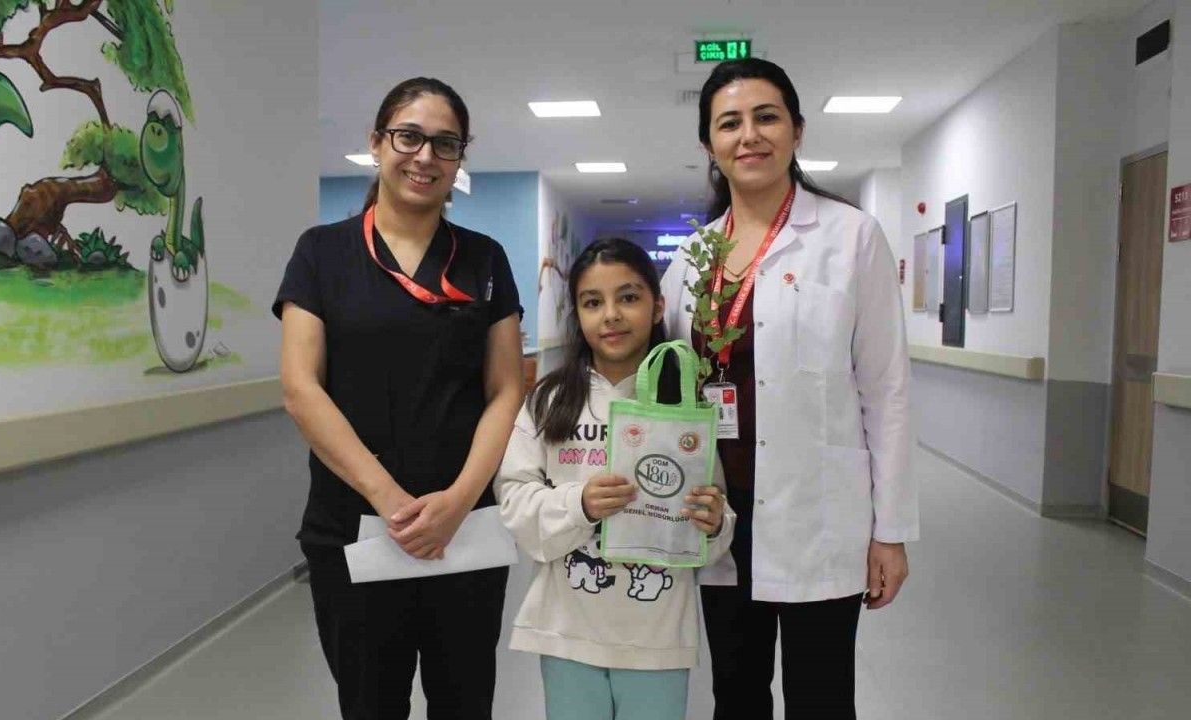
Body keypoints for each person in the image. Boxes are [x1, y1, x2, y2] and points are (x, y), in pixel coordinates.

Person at [660, 58, 917, 719]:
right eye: (729, 123)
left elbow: (886, 390)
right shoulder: (690, 259)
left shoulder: (851, 236)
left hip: (819, 513)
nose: (749, 135)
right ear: (709, 144)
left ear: (797, 131)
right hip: (719, 513)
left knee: (821, 697)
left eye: (766, 117)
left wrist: (890, 532)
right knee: (735, 694)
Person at [273, 76, 524, 720]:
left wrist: (459, 500)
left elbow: (505, 389)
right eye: (409, 137)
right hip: (354, 529)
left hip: (465, 531)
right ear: (377, 142)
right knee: (370, 703)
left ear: (460, 157)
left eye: (446, 144)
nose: (425, 157)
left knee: (464, 703)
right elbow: (301, 388)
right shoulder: (322, 253)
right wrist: (392, 503)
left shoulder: (484, 259)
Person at [495, 238, 736, 720]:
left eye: (628, 297)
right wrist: (580, 504)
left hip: (657, 636)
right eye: (592, 302)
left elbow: (716, 515)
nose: (611, 315)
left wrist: (714, 524)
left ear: (657, 306)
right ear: (577, 314)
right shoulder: (549, 401)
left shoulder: (685, 405)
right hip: (567, 629)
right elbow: (514, 499)